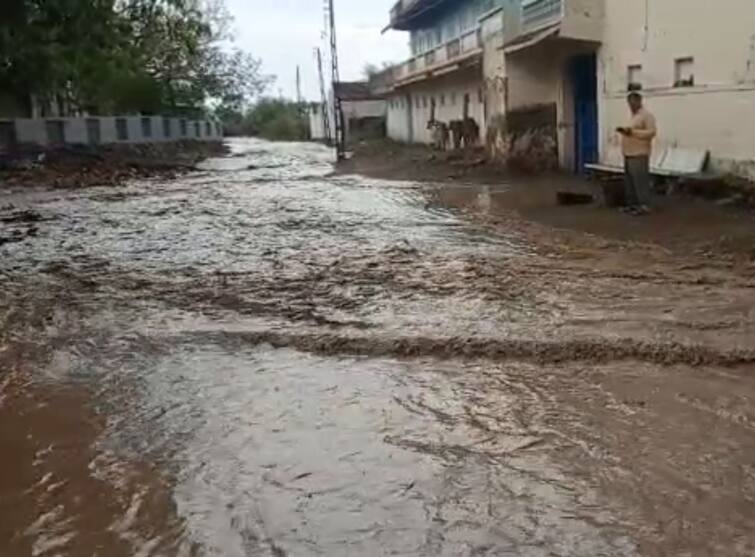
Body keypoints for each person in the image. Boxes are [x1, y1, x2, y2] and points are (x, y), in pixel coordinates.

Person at [617, 92, 657, 215]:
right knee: (630, 182)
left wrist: (633, 133)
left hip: (639, 153)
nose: (631, 105)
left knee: (640, 181)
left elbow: (651, 132)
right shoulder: (633, 117)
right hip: (629, 153)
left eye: (633, 102)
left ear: (639, 101)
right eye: (629, 103)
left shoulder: (647, 116)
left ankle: (645, 205)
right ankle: (632, 205)